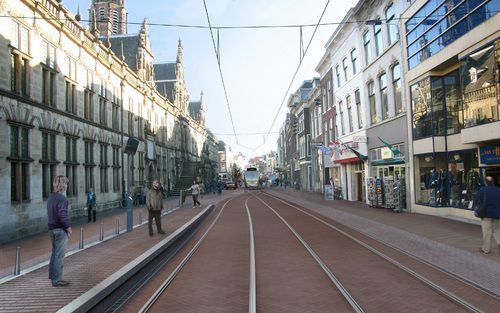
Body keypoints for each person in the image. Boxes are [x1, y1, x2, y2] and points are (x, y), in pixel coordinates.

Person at [47, 175, 72, 287]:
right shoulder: (62, 199)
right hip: (60, 230)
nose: (67, 185)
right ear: (63, 185)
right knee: (59, 255)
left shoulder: (51, 197)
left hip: (51, 229)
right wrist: (68, 227)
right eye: (66, 183)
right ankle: (57, 280)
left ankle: (52, 276)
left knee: (54, 254)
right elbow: (62, 214)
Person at [474, 176, 500, 254]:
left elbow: (476, 199)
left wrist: (477, 208)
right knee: (497, 230)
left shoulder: (483, 190)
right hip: (497, 214)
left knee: (487, 232)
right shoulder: (498, 190)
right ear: (493, 182)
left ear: (485, 182)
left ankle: (486, 249)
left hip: (486, 214)